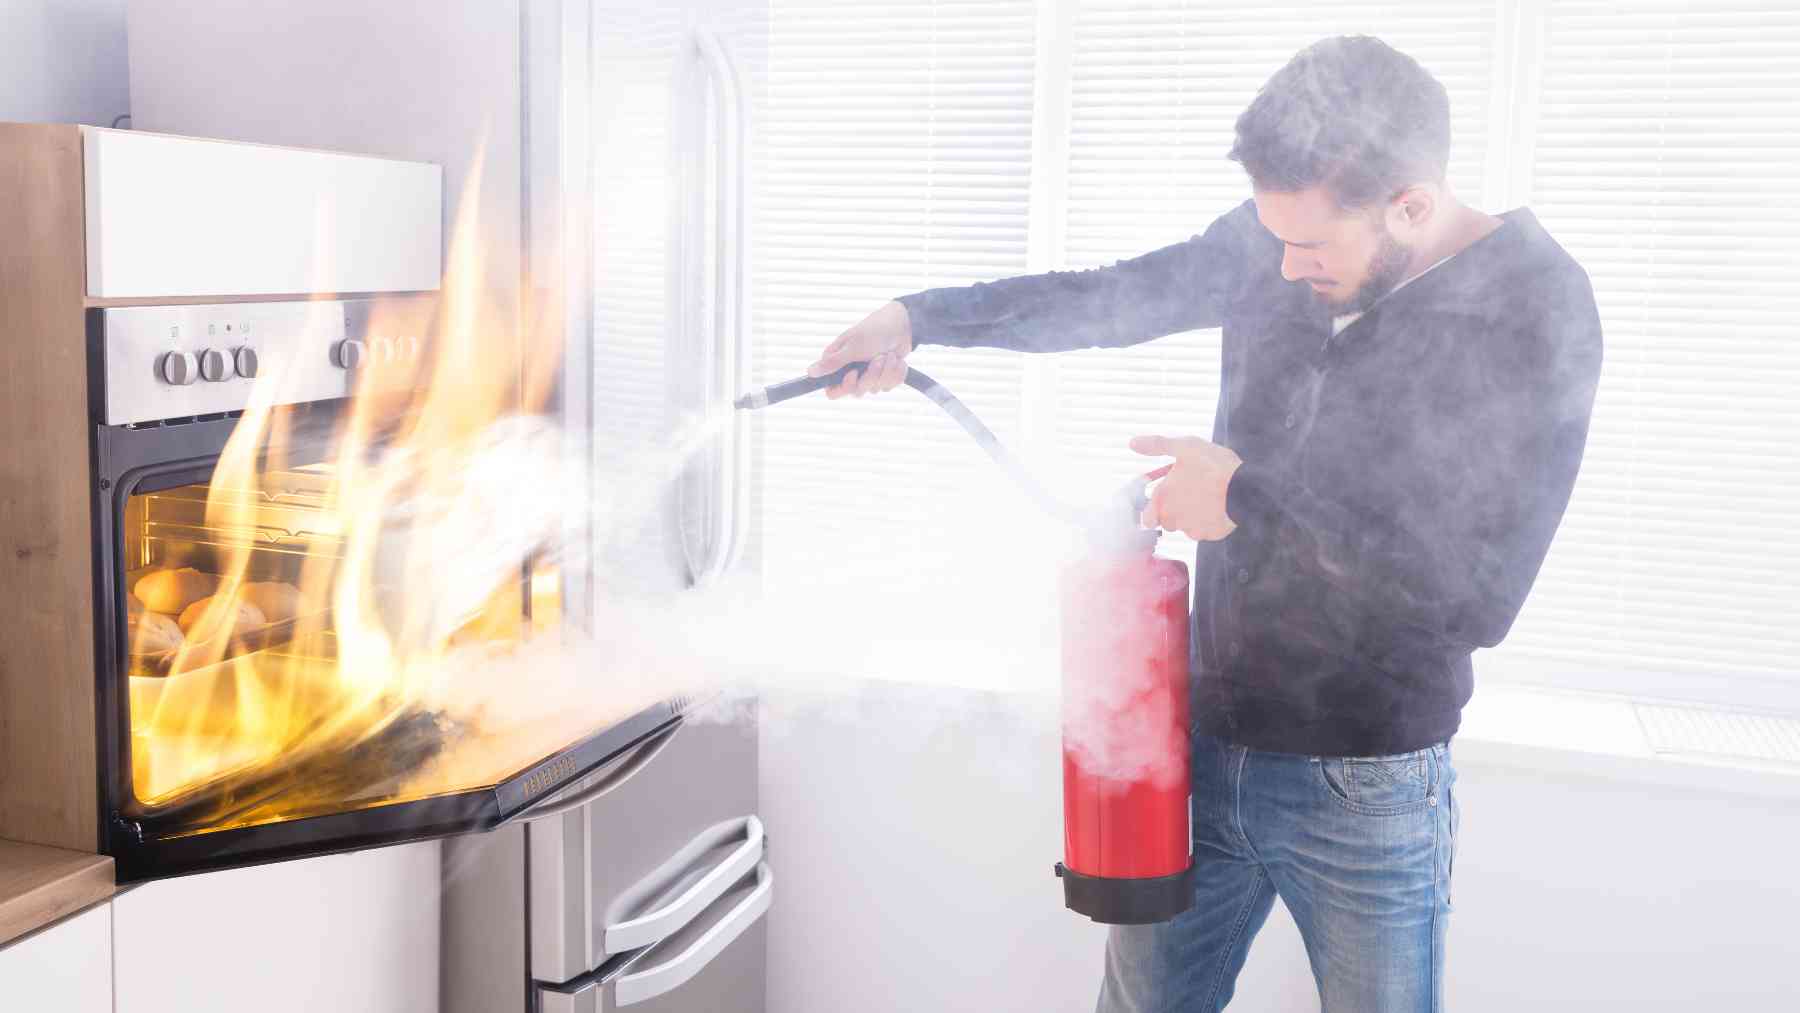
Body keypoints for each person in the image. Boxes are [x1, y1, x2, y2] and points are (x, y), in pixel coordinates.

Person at [808, 34, 1603, 1012]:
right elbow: (1110, 299)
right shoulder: (1282, 238)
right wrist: (916, 317)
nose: (1281, 265)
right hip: (1203, 748)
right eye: (1272, 236)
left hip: (1366, 786)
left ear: (1413, 206)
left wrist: (1245, 505)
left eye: (1309, 245)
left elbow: (1474, 593)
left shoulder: (1536, 305)